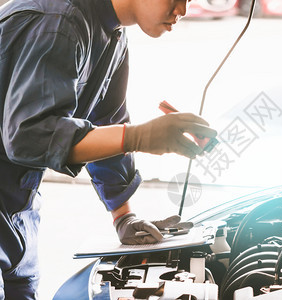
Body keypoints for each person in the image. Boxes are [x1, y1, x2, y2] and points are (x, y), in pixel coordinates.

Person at [0, 0, 216, 298]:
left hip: (17, 209)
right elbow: (29, 137)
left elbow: (107, 123)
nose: (183, 10)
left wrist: (123, 216)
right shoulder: (60, 20)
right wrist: (138, 137)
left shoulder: (111, 34)